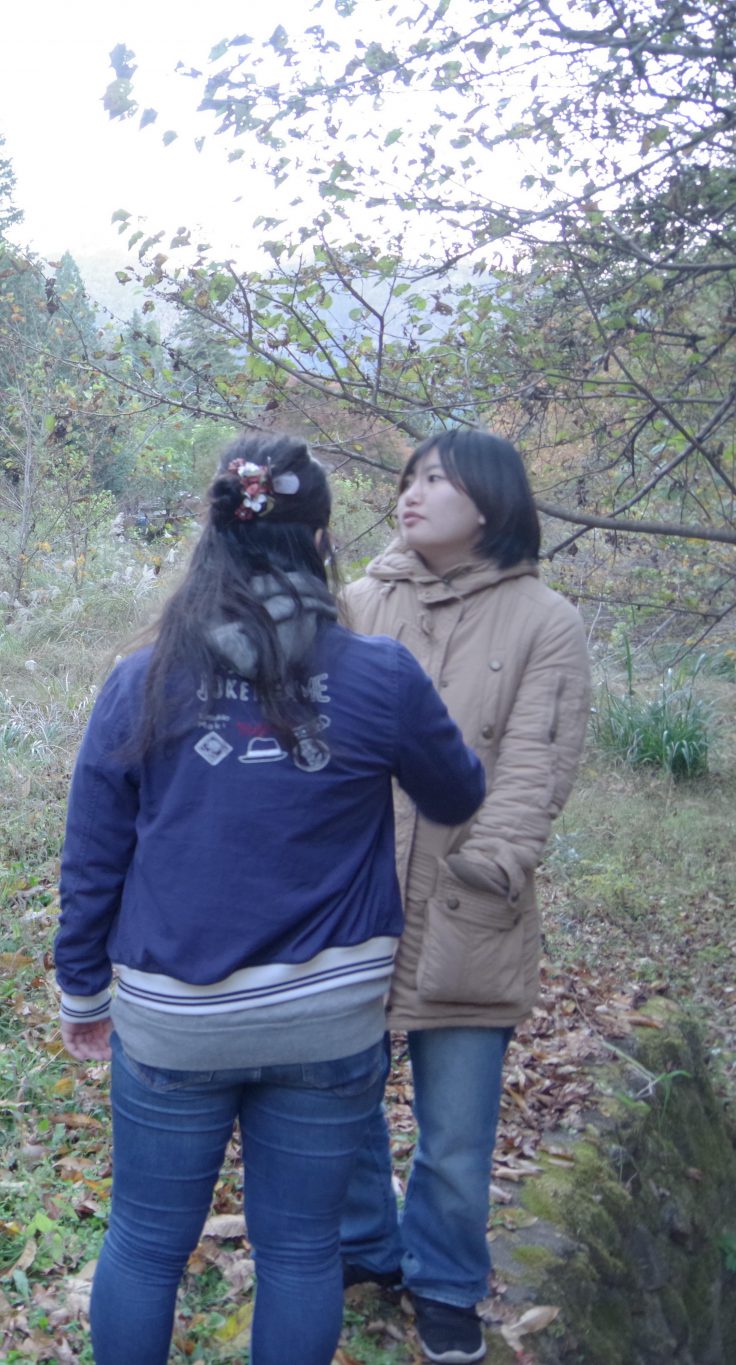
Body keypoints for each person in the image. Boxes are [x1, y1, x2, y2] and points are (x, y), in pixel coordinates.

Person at [54, 432, 487, 1365]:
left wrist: (82, 993)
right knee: (300, 1251)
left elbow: (93, 854)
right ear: (322, 541)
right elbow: (457, 795)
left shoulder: (143, 679)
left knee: (145, 1244)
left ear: (213, 538)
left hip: (176, 1018)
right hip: (326, 1020)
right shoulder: (382, 675)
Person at [338, 431, 592, 1364]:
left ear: (488, 501)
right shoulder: (359, 601)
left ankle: (445, 1280)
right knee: (342, 1095)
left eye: (436, 479)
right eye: (409, 478)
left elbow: (536, 766)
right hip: (353, 892)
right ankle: (364, 1245)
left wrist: (488, 866)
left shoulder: (545, 620)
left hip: (470, 903)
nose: (411, 492)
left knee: (455, 1128)